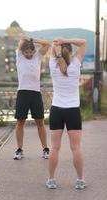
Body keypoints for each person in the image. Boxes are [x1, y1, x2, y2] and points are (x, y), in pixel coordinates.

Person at [46, 38, 87, 189]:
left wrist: (56, 44)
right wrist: (66, 40)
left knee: (55, 147)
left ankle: (51, 180)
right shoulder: (75, 65)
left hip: (57, 109)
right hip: (73, 111)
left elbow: (53, 47)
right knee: (76, 148)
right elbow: (83, 42)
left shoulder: (53, 65)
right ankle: (80, 180)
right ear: (70, 52)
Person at [14, 35, 50, 160]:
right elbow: (20, 43)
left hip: (35, 93)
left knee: (40, 122)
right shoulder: (19, 57)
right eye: (26, 52)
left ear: (33, 51)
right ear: (23, 52)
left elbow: (47, 44)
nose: (28, 54)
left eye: (30, 52)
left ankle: (45, 149)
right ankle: (19, 149)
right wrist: (24, 40)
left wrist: (32, 40)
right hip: (22, 93)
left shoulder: (37, 57)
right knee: (20, 122)